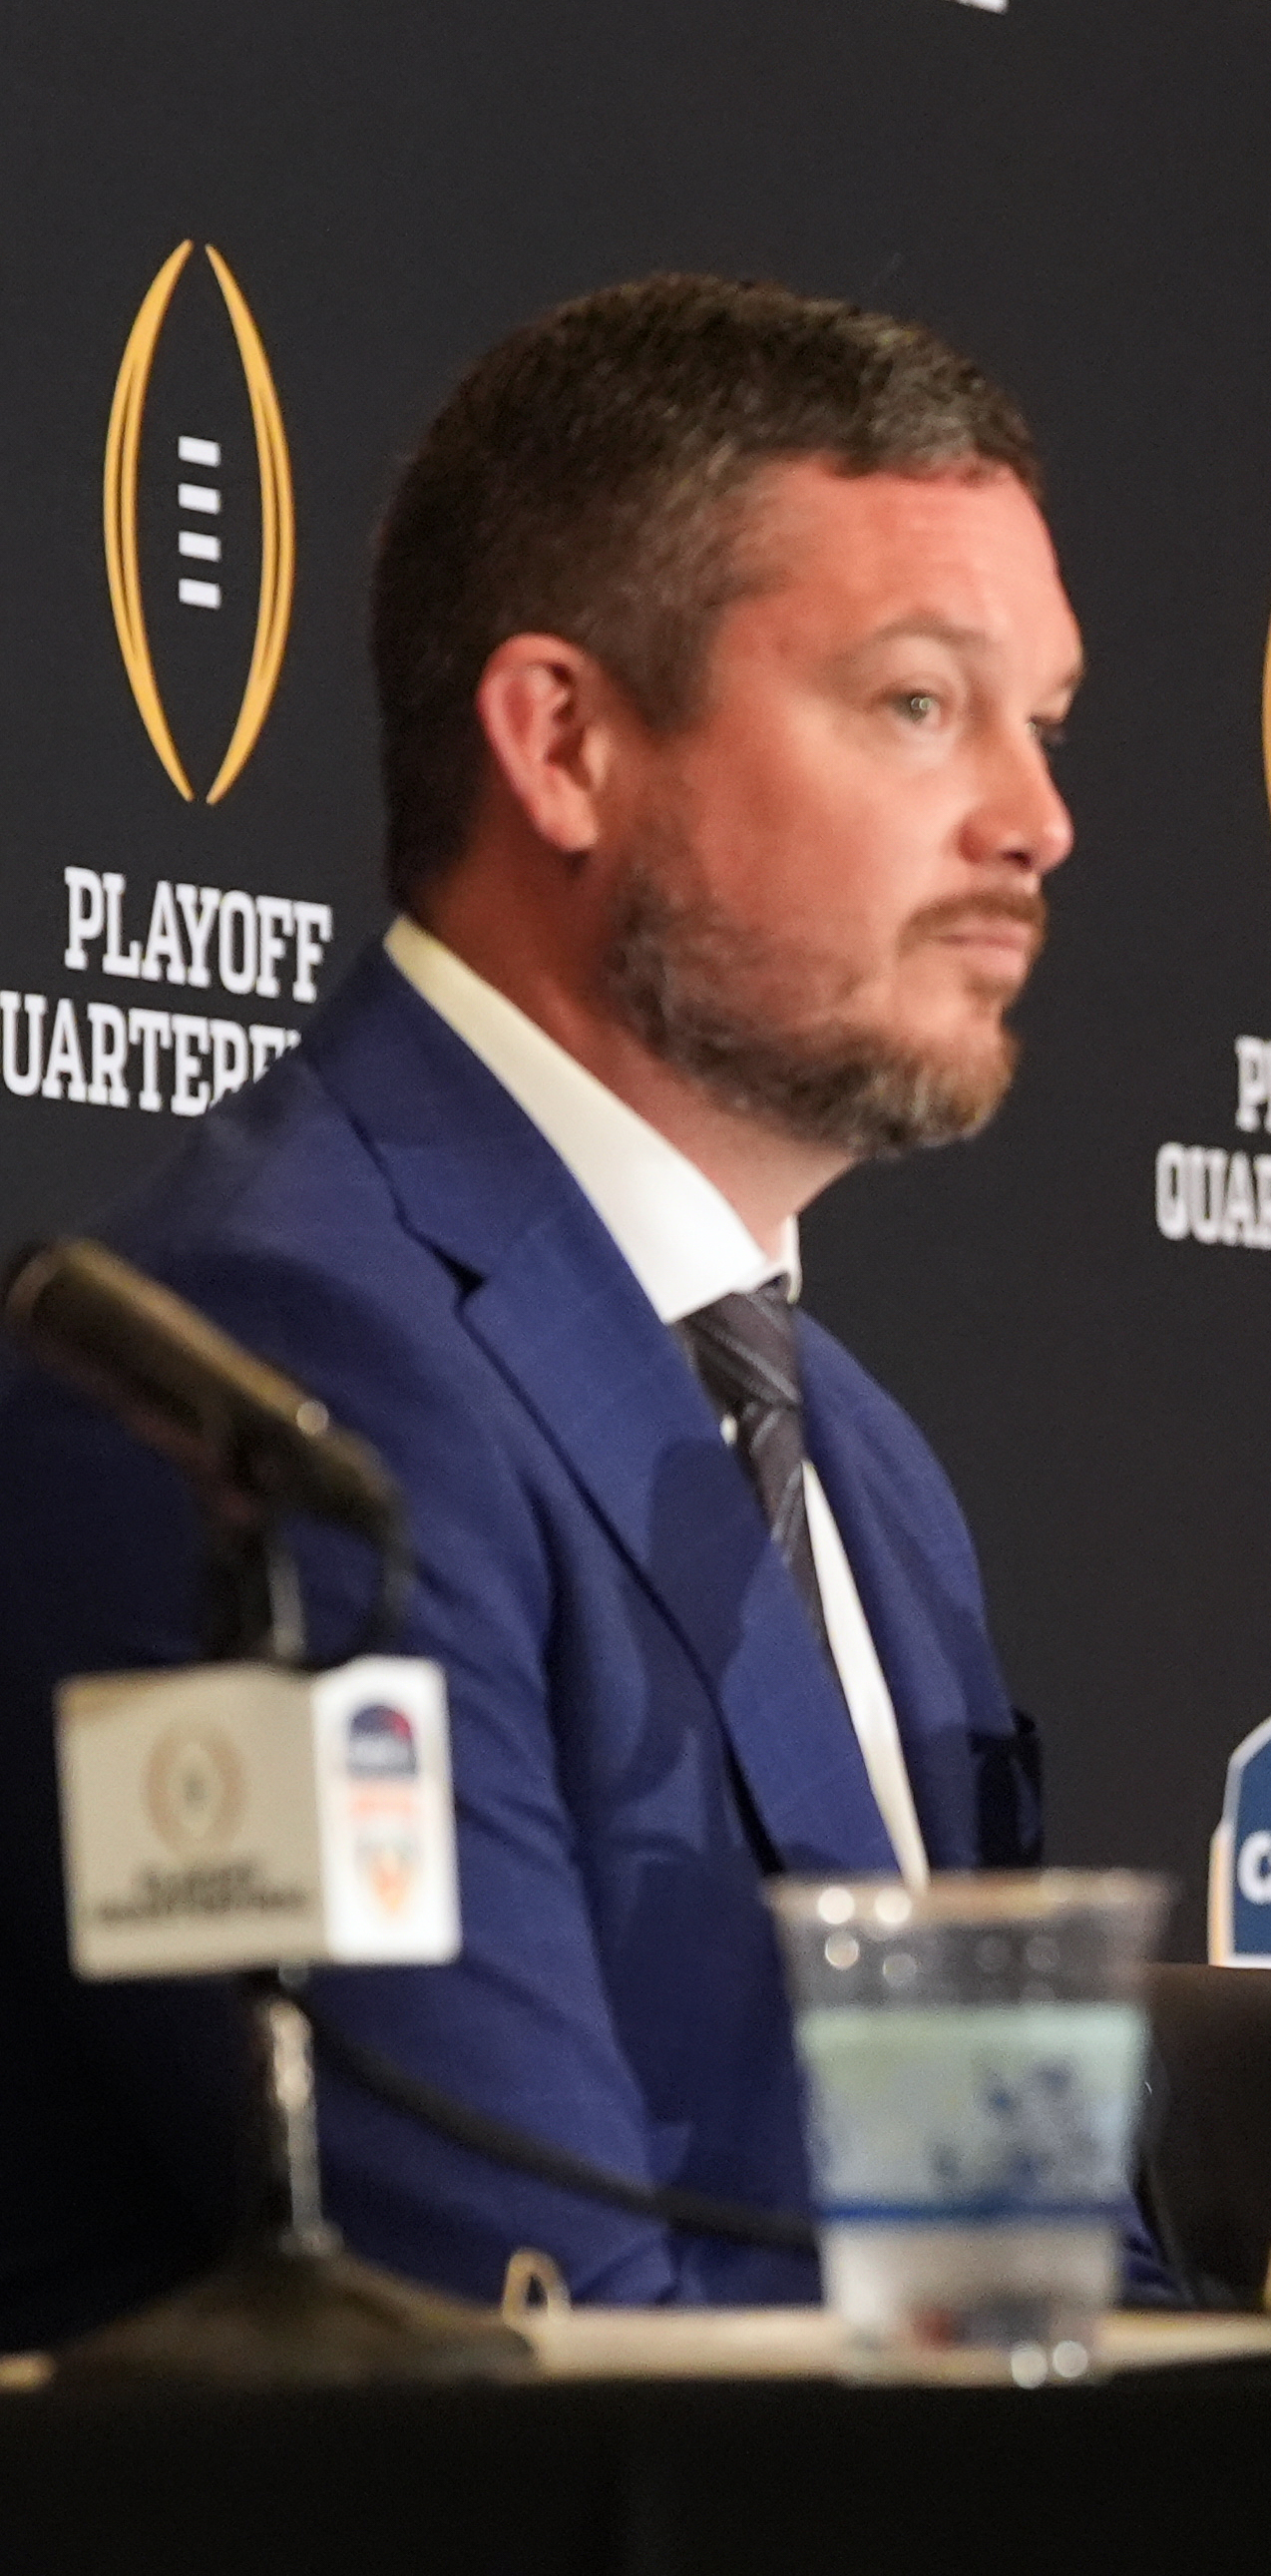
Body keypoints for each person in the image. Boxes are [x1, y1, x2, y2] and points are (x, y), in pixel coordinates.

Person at [0, 275, 1083, 2345]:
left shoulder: (863, 1462)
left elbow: (1016, 2271)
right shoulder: (265, 1379)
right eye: (922, 704)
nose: (1037, 817)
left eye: (1050, 718)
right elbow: (509, 2337)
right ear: (566, 743)